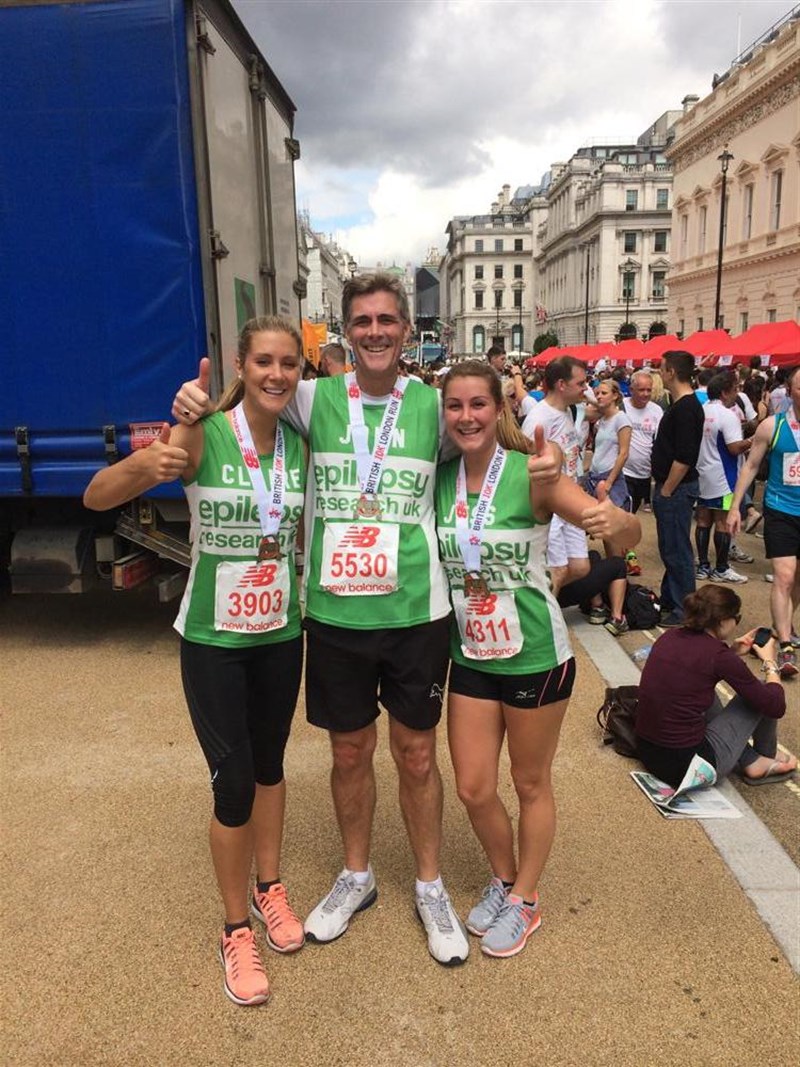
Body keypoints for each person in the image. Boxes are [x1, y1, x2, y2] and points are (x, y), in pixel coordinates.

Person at [172, 272, 563, 968]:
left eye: (387, 320)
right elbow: (250, 401)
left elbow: (490, 442)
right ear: (346, 331)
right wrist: (191, 403)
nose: (375, 331)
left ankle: (430, 884)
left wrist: (548, 457)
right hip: (334, 615)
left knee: (417, 754)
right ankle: (357, 874)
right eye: (362, 321)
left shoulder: (435, 406)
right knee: (348, 752)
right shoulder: (310, 397)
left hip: (416, 614)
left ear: (406, 329)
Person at [84, 316, 308, 1007]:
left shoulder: (301, 447)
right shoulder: (202, 432)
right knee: (233, 784)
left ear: (300, 373)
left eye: (289, 364)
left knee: (270, 767)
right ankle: (234, 927)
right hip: (214, 640)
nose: (276, 374)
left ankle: (270, 886)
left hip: (280, 634)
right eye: (264, 361)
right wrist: (148, 463)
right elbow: (97, 495)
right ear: (242, 364)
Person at [435, 360, 640, 957]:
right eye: (455, 406)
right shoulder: (439, 478)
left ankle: (526, 899)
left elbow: (626, 539)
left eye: (479, 404)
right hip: (472, 653)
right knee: (473, 787)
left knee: (529, 782)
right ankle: (505, 879)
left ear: (500, 407)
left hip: (534, 655)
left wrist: (617, 520)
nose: (467, 416)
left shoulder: (534, 472)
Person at [635, 586, 795, 787]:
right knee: (766, 690)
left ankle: (749, 758)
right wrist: (770, 663)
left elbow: (699, 667)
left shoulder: (669, 636)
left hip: (648, 752)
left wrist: (732, 652)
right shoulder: (719, 656)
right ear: (722, 621)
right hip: (690, 767)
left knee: (696, 690)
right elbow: (775, 706)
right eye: (737, 618)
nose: (736, 624)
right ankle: (764, 756)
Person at [727, 365, 800, 678]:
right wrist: (735, 507)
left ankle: (782, 625)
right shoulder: (773, 425)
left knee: (797, 580)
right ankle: (785, 645)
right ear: (790, 390)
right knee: (784, 576)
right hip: (781, 510)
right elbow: (751, 466)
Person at [521, 357, 591, 591]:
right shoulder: (539, 419)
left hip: (569, 497)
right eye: (580, 383)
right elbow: (525, 464)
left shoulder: (567, 411)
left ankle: (541, 595)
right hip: (550, 504)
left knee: (580, 567)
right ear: (562, 384)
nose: (585, 388)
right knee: (557, 570)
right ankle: (545, 607)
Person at [650, 350, 705, 626]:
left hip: (676, 488)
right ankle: (672, 599)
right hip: (673, 486)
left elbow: (684, 456)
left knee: (677, 549)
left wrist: (667, 489)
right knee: (670, 548)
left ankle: (685, 609)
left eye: (662, 368)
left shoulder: (686, 408)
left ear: (671, 371)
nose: (659, 373)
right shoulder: (682, 405)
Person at [695, 371, 752, 584]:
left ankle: (703, 566)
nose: (736, 394)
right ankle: (721, 568)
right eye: (735, 390)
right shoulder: (728, 415)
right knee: (722, 521)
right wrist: (752, 440)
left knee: (703, 519)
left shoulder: (700, 411)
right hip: (724, 477)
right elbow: (734, 448)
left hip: (701, 473)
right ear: (725, 392)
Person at [623, 369, 663, 514]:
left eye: (648, 390)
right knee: (622, 512)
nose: (645, 394)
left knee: (632, 511)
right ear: (631, 389)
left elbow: (659, 441)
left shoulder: (656, 410)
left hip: (644, 473)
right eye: (641, 390)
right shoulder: (621, 406)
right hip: (623, 471)